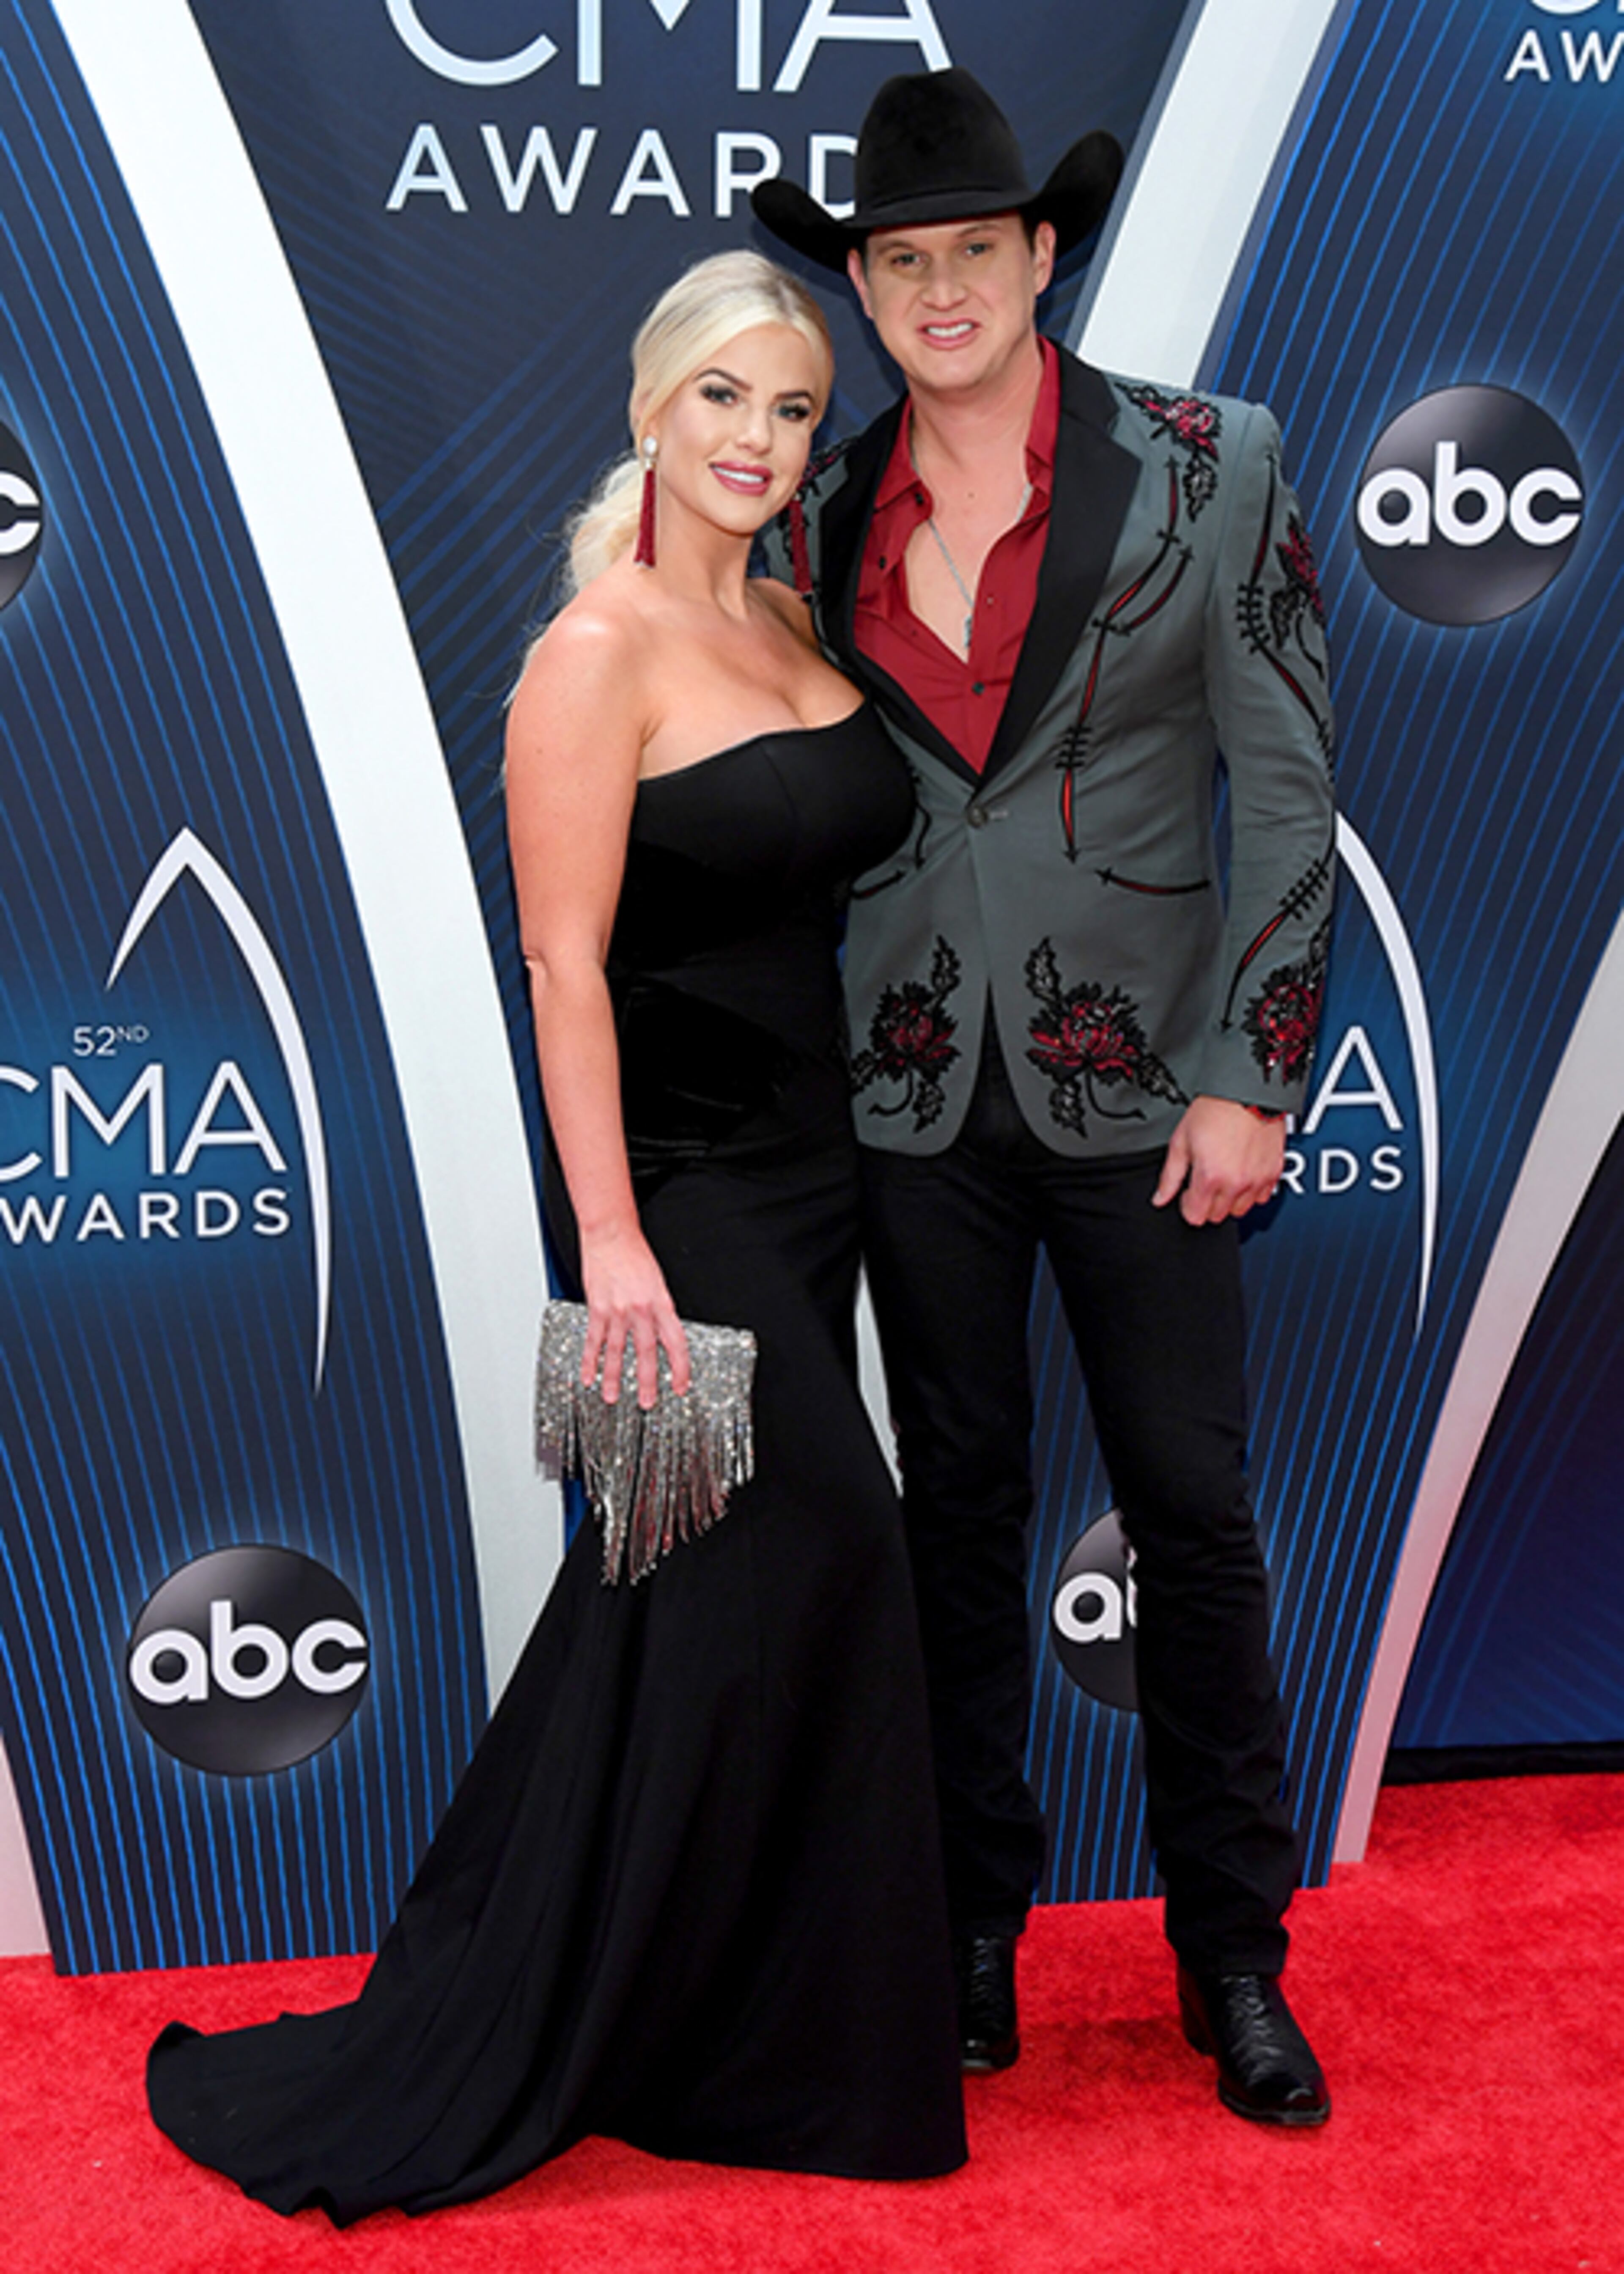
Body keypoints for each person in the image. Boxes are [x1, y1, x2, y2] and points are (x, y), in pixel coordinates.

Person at [145, 251, 967, 2222]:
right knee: (823, 1544)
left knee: (671, 1589)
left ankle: (689, 2009)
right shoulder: (595, 655)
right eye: (725, 402)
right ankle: (733, 2028)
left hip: (814, 1170)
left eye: (790, 408)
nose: (760, 440)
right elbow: (562, 966)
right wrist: (611, 1239)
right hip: (677, 1198)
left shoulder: (783, 619)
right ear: (649, 412)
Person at [753, 69, 1336, 2126]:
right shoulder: (813, 514)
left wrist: (1254, 1073)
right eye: (899, 261)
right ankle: (971, 1928)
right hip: (913, 1105)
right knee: (959, 1529)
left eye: (970, 255)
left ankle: (1236, 1961)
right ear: (860, 277)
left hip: (1156, 1105)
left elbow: (1286, 790)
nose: (937, 291)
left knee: (1194, 1521)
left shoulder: (1208, 464)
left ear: (1039, 259)